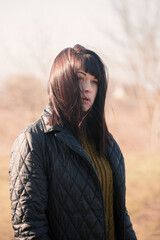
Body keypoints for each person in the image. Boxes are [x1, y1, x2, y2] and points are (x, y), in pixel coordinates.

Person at [9, 44, 137, 240]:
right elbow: (30, 229)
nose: (88, 88)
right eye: (80, 78)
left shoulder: (107, 142)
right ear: (60, 80)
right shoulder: (33, 142)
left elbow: (119, 213)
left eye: (94, 81)